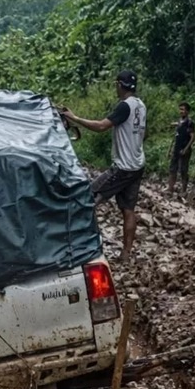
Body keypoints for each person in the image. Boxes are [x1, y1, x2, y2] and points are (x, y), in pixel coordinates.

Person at [62, 70, 147, 264]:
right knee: (128, 209)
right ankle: (126, 254)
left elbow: (101, 126)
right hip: (137, 164)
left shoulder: (124, 106)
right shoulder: (141, 106)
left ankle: (82, 248)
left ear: (119, 85)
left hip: (122, 168)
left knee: (87, 197)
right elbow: (142, 132)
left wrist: (74, 118)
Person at [167, 102, 195, 194]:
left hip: (184, 150)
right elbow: (175, 136)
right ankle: (170, 188)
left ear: (187, 111)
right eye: (180, 109)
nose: (181, 111)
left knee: (183, 170)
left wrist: (186, 149)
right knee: (172, 169)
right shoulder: (179, 121)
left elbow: (192, 137)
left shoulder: (189, 123)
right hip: (176, 148)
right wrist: (170, 149)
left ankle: (184, 190)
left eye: (183, 109)